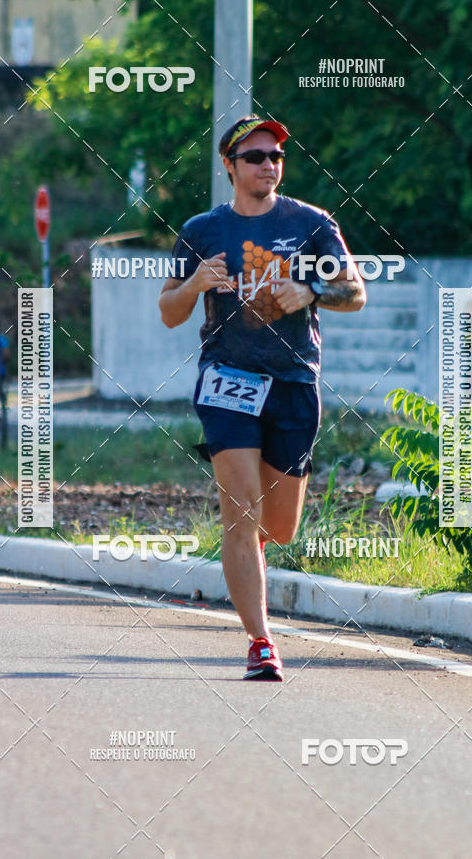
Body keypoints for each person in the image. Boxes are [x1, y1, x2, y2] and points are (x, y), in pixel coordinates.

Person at [159, 116, 366, 680]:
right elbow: (169, 312)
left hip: (293, 382)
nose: (268, 165)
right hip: (227, 379)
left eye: (276, 156)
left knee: (279, 528)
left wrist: (311, 290)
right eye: (255, 157)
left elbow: (354, 291)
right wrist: (194, 284)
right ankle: (261, 643)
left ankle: (250, 561)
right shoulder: (202, 230)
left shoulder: (311, 224)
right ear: (229, 165)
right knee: (241, 511)